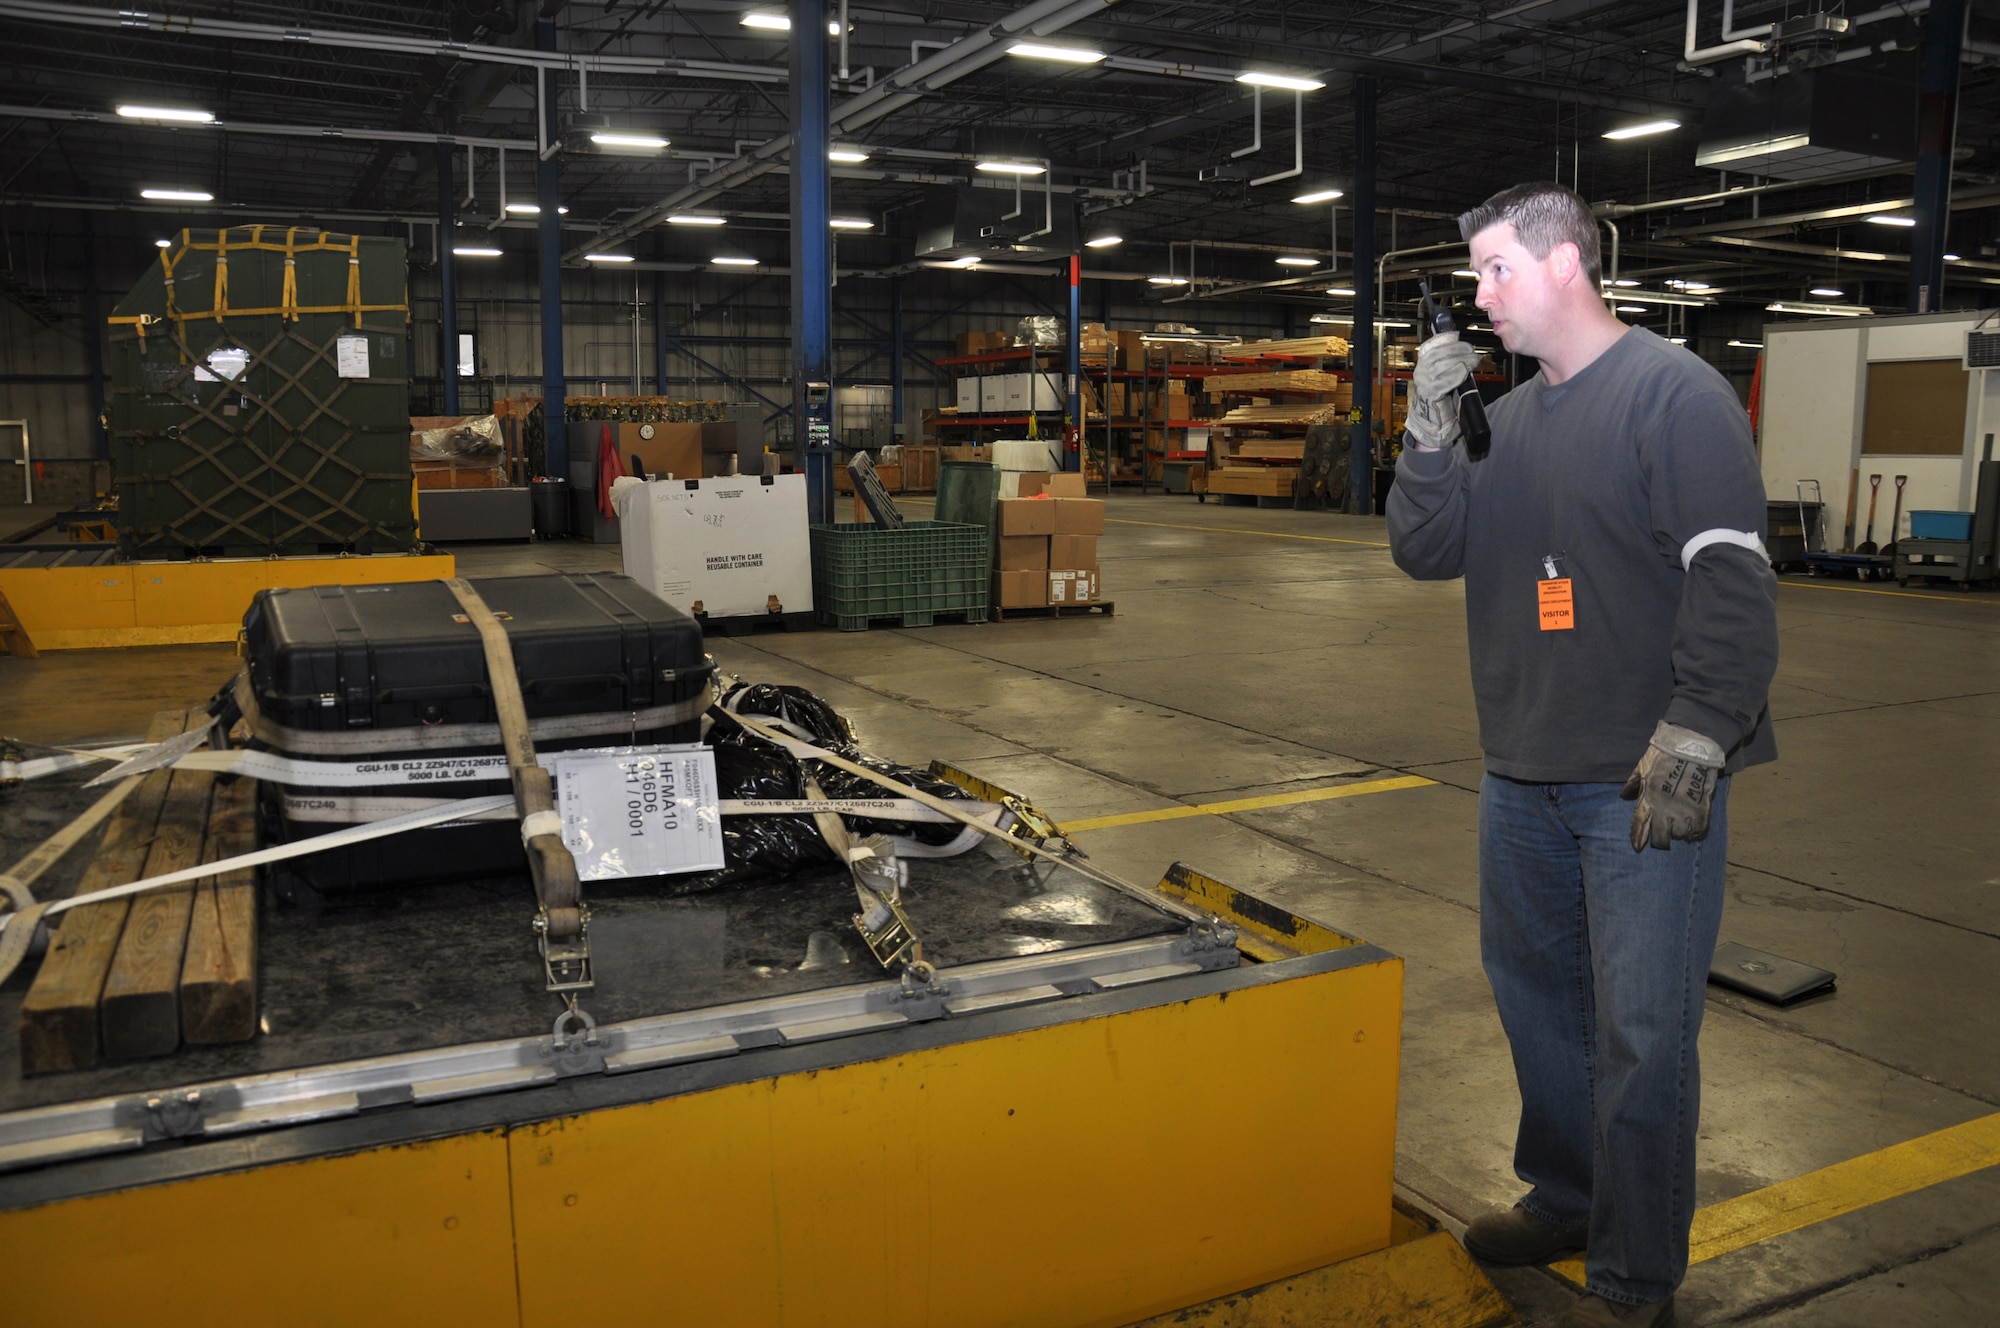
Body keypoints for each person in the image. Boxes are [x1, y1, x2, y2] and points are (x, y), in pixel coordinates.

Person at [1386, 182, 1779, 1328]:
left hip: (1639, 777)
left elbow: (1730, 573)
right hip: (1519, 768)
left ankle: (1635, 1272)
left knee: (1641, 1028)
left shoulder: (1673, 396)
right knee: (1539, 1004)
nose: (1477, 294)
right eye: (1472, 274)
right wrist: (1424, 429)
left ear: (1565, 265)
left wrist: (1700, 728)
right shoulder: (1503, 421)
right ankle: (1565, 1192)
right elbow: (1424, 548)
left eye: (1494, 269)